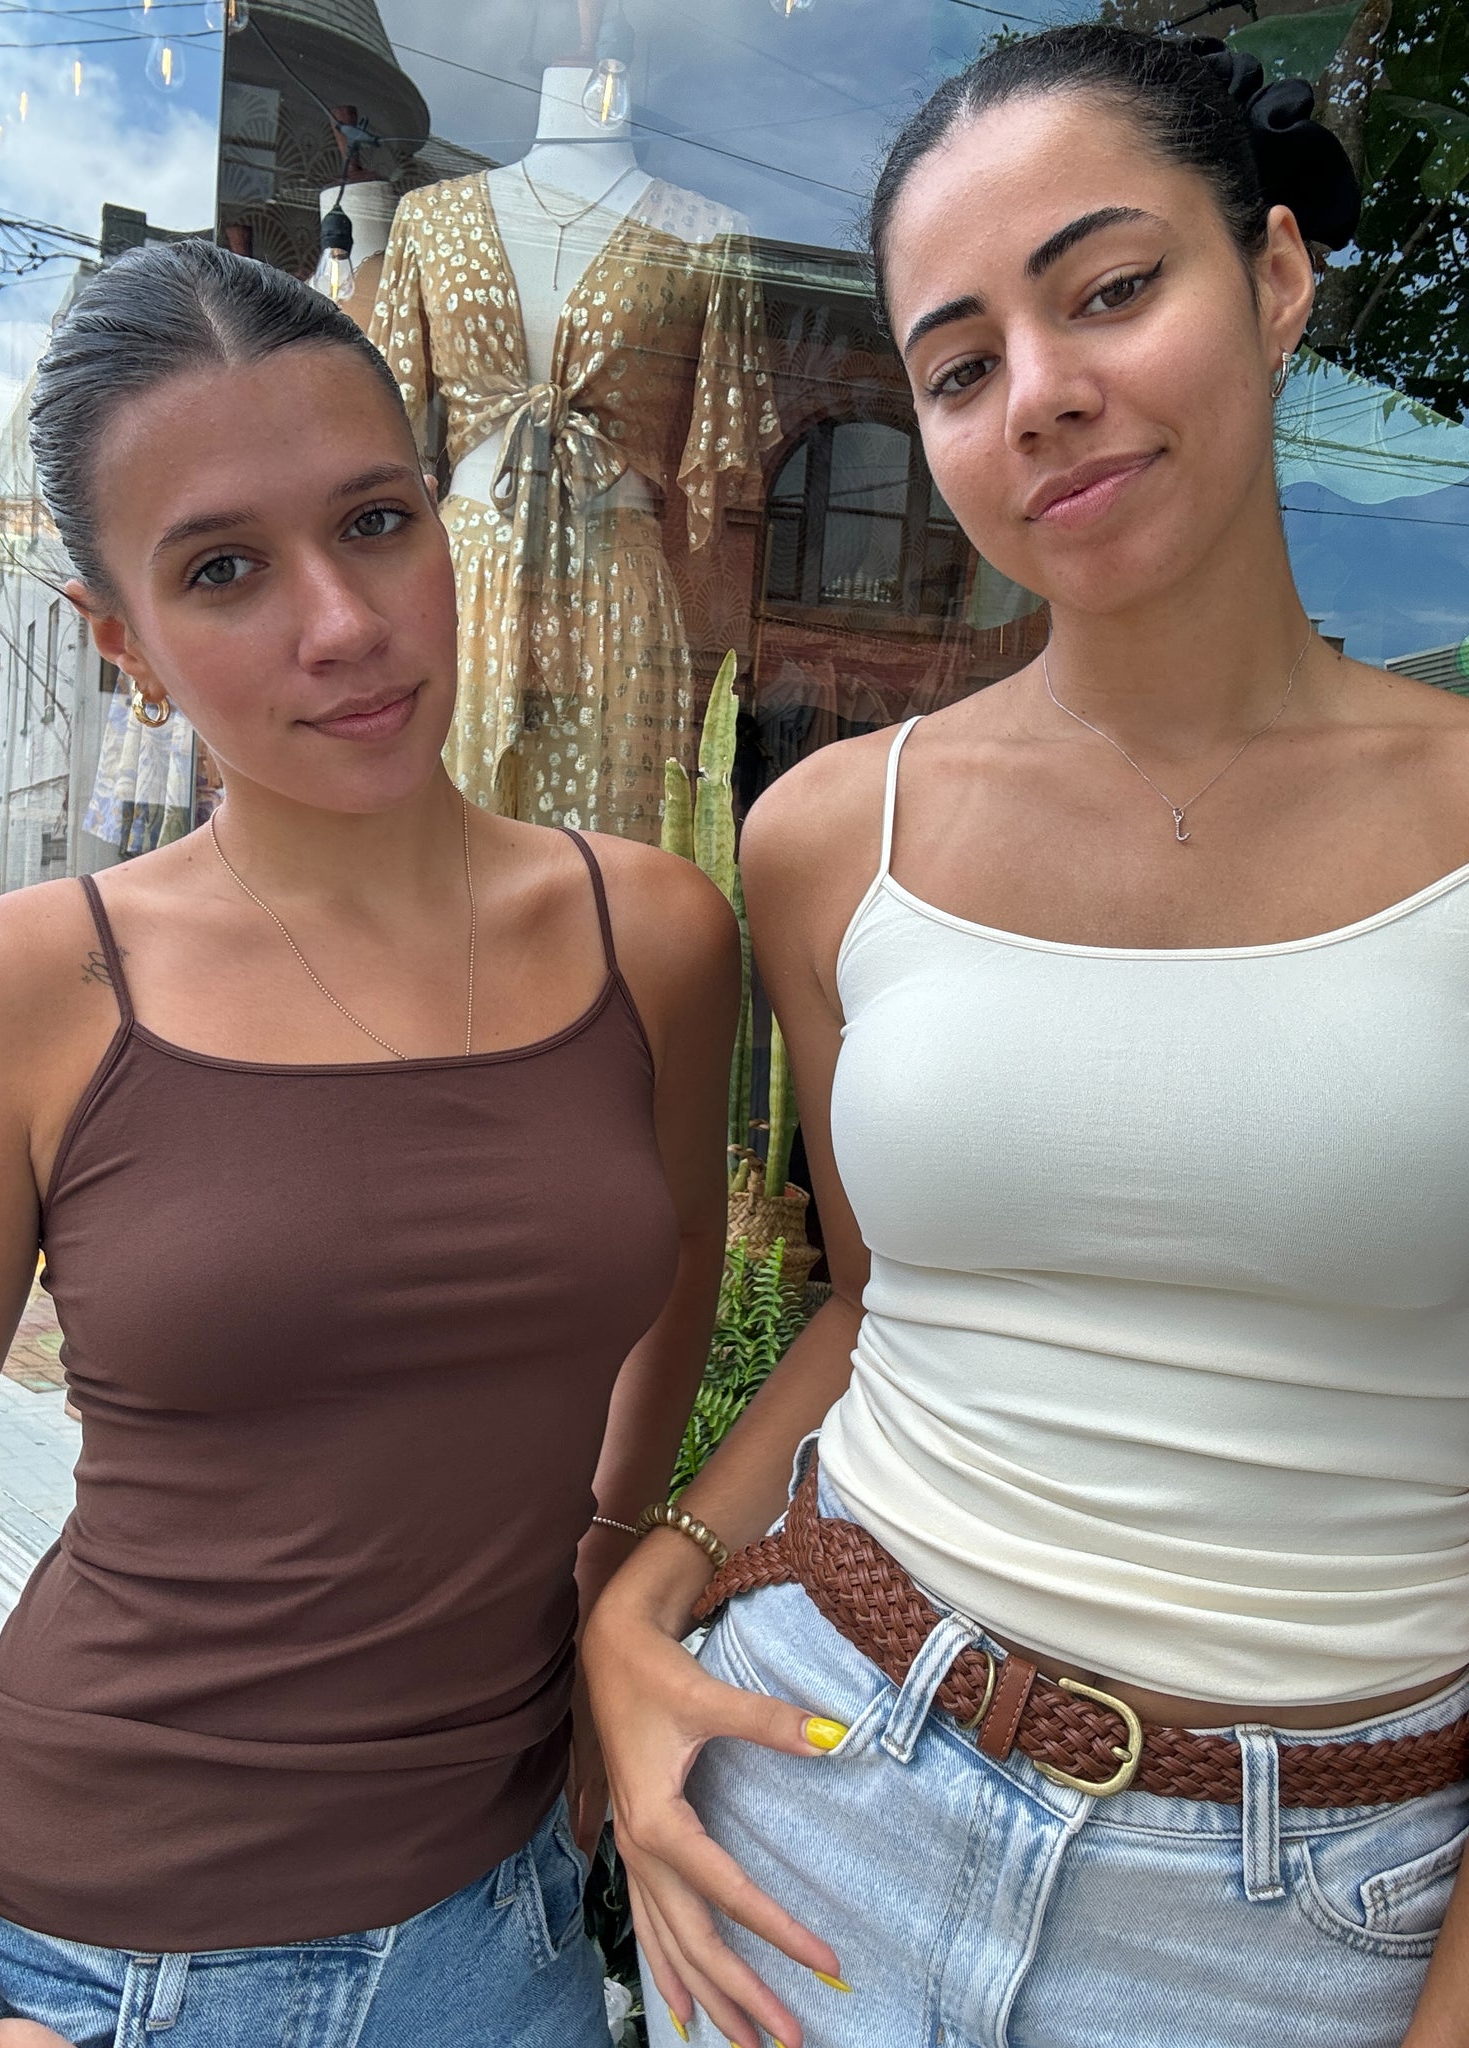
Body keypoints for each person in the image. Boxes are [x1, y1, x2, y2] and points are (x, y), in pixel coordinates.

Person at [583, 26, 1469, 2048]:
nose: (1043, 393)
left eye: (1113, 288)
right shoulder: (831, 838)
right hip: (820, 1804)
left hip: (1307, 1918)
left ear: (1275, 278)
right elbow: (873, 1305)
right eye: (961, 366)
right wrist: (646, 1589)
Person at [0, 239, 739, 2048]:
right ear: (122, 642)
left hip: (507, 1929)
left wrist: (614, 1572)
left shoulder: (656, 935)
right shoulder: (21, 990)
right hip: (92, 1964)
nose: (344, 624)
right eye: (222, 569)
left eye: (376, 522)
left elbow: (679, 1263)